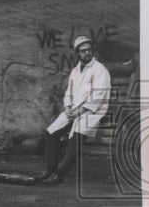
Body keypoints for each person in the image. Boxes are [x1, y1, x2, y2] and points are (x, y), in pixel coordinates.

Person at [39, 34, 112, 184]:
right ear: (77, 53)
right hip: (73, 111)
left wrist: (81, 111)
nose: (87, 53)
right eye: (83, 51)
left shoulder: (100, 70)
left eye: (89, 50)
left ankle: (59, 174)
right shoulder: (75, 71)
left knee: (75, 140)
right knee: (50, 133)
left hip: (92, 112)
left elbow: (99, 96)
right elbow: (69, 93)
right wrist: (67, 107)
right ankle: (50, 169)